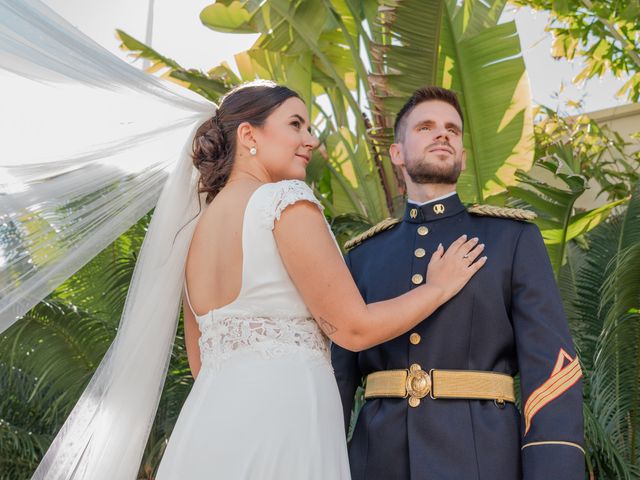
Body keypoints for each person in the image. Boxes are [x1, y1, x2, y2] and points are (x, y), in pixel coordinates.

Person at [154, 81, 487, 479]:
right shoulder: (285, 202)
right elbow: (354, 328)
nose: (310, 140)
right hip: (283, 430)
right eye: (296, 124)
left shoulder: (193, 233)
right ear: (248, 135)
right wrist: (438, 287)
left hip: (208, 428)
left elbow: (201, 363)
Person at [332, 86, 585, 480]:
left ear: (463, 156)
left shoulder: (511, 239)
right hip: (375, 460)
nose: (443, 134)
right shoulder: (363, 256)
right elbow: (338, 379)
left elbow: (552, 367)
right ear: (397, 153)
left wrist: (553, 467)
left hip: (484, 458)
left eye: (452, 129)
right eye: (426, 127)